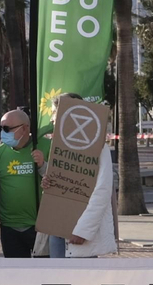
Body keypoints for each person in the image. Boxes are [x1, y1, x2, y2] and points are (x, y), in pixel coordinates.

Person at [44, 93, 117, 259]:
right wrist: (49, 183)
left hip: (80, 234)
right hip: (57, 229)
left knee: (82, 283)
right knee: (57, 281)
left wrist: (83, 230)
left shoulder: (98, 147)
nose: (53, 120)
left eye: (57, 114)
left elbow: (102, 191)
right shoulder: (59, 147)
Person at [0, 108, 44, 258]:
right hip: (9, 227)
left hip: (40, 228)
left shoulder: (45, 146)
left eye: (7, 128)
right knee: (17, 277)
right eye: (0, 128)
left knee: (44, 274)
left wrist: (43, 165)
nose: (3, 132)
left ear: (25, 128)